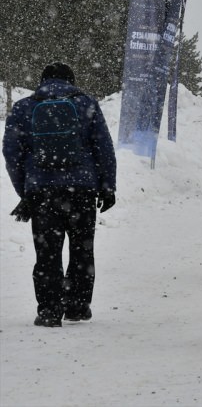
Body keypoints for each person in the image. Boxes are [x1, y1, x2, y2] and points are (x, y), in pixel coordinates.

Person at [3, 62, 117, 327]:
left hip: (42, 192)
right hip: (81, 190)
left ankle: (49, 311)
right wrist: (107, 186)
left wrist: (26, 190)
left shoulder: (24, 107)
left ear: (42, 80)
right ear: (71, 80)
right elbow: (103, 147)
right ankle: (77, 306)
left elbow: (11, 153)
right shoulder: (86, 104)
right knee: (82, 250)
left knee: (47, 253)